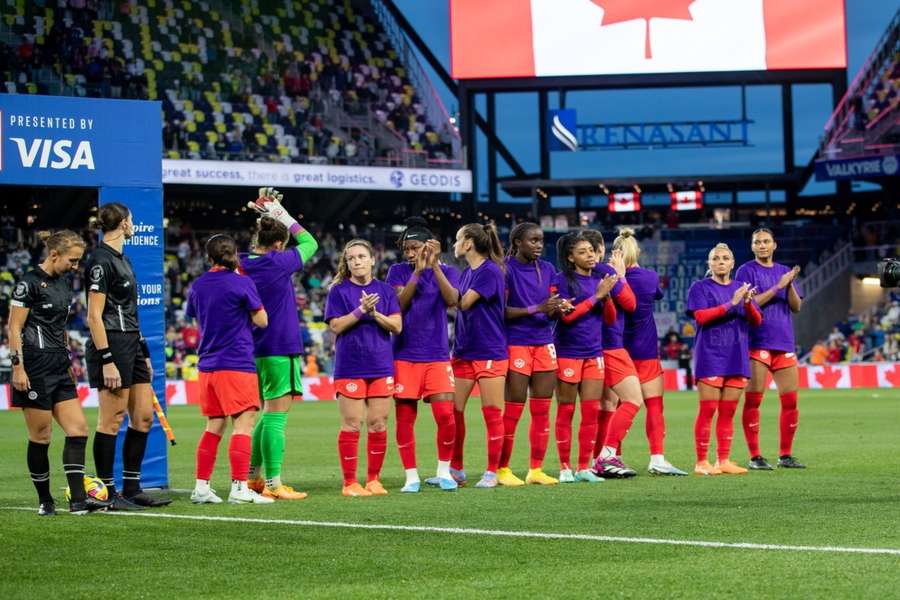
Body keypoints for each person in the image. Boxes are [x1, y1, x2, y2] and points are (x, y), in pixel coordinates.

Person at [9, 231, 111, 515]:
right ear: (54, 255)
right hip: (34, 367)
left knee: (78, 429)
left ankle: (78, 500)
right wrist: (18, 367)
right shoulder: (27, 284)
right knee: (41, 436)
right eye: (73, 260)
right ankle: (45, 500)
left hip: (59, 366)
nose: (76, 266)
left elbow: (58, 329)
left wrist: (67, 363)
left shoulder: (64, 284)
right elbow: (14, 328)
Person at [85, 203, 170, 509]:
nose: (133, 224)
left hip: (132, 343)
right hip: (112, 343)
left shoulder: (125, 260)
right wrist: (106, 358)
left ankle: (132, 488)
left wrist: (143, 349)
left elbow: (131, 312)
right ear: (122, 223)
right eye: (131, 220)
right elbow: (94, 317)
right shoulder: (100, 261)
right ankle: (107, 492)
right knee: (111, 420)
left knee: (144, 417)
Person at [241, 188, 319, 500]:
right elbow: (310, 243)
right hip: (280, 345)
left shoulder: (241, 263)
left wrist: (267, 218)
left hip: (252, 347)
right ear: (278, 244)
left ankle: (252, 477)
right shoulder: (279, 262)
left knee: (266, 411)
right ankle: (274, 483)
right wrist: (282, 216)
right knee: (277, 415)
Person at [187, 235, 274, 505]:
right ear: (235, 255)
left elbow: (195, 315)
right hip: (236, 363)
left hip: (207, 365)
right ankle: (239, 488)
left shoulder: (198, 285)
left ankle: (201, 487)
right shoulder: (241, 282)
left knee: (214, 424)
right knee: (244, 424)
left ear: (209, 258)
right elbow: (262, 320)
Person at [386, 217, 460, 492]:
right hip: (404, 354)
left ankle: (443, 472)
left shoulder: (448, 271)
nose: (408, 253)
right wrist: (417, 272)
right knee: (405, 418)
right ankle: (411, 476)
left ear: (429, 246)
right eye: (406, 248)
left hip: (437, 355)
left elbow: (453, 300)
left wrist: (434, 267)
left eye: (414, 247)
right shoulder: (397, 271)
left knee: (445, 416)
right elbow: (398, 304)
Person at [325, 239, 402, 497]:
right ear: (346, 264)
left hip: (381, 364)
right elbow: (335, 326)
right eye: (351, 258)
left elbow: (397, 326)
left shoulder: (386, 291)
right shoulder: (338, 291)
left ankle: (373, 480)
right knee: (352, 424)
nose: (356, 261)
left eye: (361, 256)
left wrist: (375, 313)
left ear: (372, 259)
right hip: (350, 366)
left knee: (379, 423)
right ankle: (349, 483)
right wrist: (361, 310)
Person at [616, 229, 687, 476]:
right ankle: (657, 457)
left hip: (618, 348)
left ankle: (613, 456)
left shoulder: (610, 278)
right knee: (654, 405)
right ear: (638, 251)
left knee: (617, 408)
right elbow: (657, 295)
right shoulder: (649, 277)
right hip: (645, 348)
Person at [687, 243, 762, 476]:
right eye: (716, 258)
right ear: (709, 264)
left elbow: (757, 321)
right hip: (710, 356)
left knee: (728, 411)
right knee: (708, 410)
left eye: (725, 258)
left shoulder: (742, 288)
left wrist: (747, 303)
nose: (720, 261)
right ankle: (701, 462)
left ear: (732, 263)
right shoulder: (699, 288)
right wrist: (732, 303)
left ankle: (723, 460)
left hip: (737, 356)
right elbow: (700, 317)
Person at [498, 222, 564, 486]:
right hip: (517, 342)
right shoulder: (504, 269)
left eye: (541, 240)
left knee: (542, 409)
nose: (538, 245)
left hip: (544, 341)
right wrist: (537, 307)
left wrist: (559, 307)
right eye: (533, 241)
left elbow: (550, 307)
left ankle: (535, 470)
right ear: (517, 243)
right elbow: (501, 311)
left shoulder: (547, 269)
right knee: (514, 409)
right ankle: (503, 469)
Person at [735, 228, 805, 469]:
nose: (762, 245)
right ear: (752, 247)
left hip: (784, 342)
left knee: (791, 401)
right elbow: (748, 304)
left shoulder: (784, 271)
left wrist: (790, 285)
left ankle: (785, 455)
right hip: (757, 342)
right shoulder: (746, 270)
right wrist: (778, 286)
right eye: (757, 242)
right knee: (754, 401)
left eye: (766, 241)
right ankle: (755, 457)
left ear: (774, 245)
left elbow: (796, 307)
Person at [550, 233, 617, 483]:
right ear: (570, 257)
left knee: (590, 413)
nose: (590, 255)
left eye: (591, 250)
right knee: (566, 411)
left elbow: (609, 320)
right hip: (568, 353)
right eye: (582, 252)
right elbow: (566, 317)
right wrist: (596, 297)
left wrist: (606, 297)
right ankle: (565, 468)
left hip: (593, 353)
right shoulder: (562, 281)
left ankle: (583, 467)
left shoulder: (601, 281)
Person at [451, 223, 508, 489]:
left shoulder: (489, 272)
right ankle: (456, 469)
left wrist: (437, 270)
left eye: (457, 240)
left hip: (489, 351)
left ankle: (491, 472)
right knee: (454, 411)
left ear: (469, 243)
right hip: (463, 351)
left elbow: (462, 303)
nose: (454, 245)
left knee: (492, 413)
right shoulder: (467, 273)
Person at [582, 229, 641, 479]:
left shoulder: (581, 275)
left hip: (595, 346)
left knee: (607, 405)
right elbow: (630, 304)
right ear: (602, 249)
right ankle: (607, 454)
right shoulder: (606, 272)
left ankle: (599, 460)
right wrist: (621, 276)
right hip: (612, 345)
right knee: (633, 400)